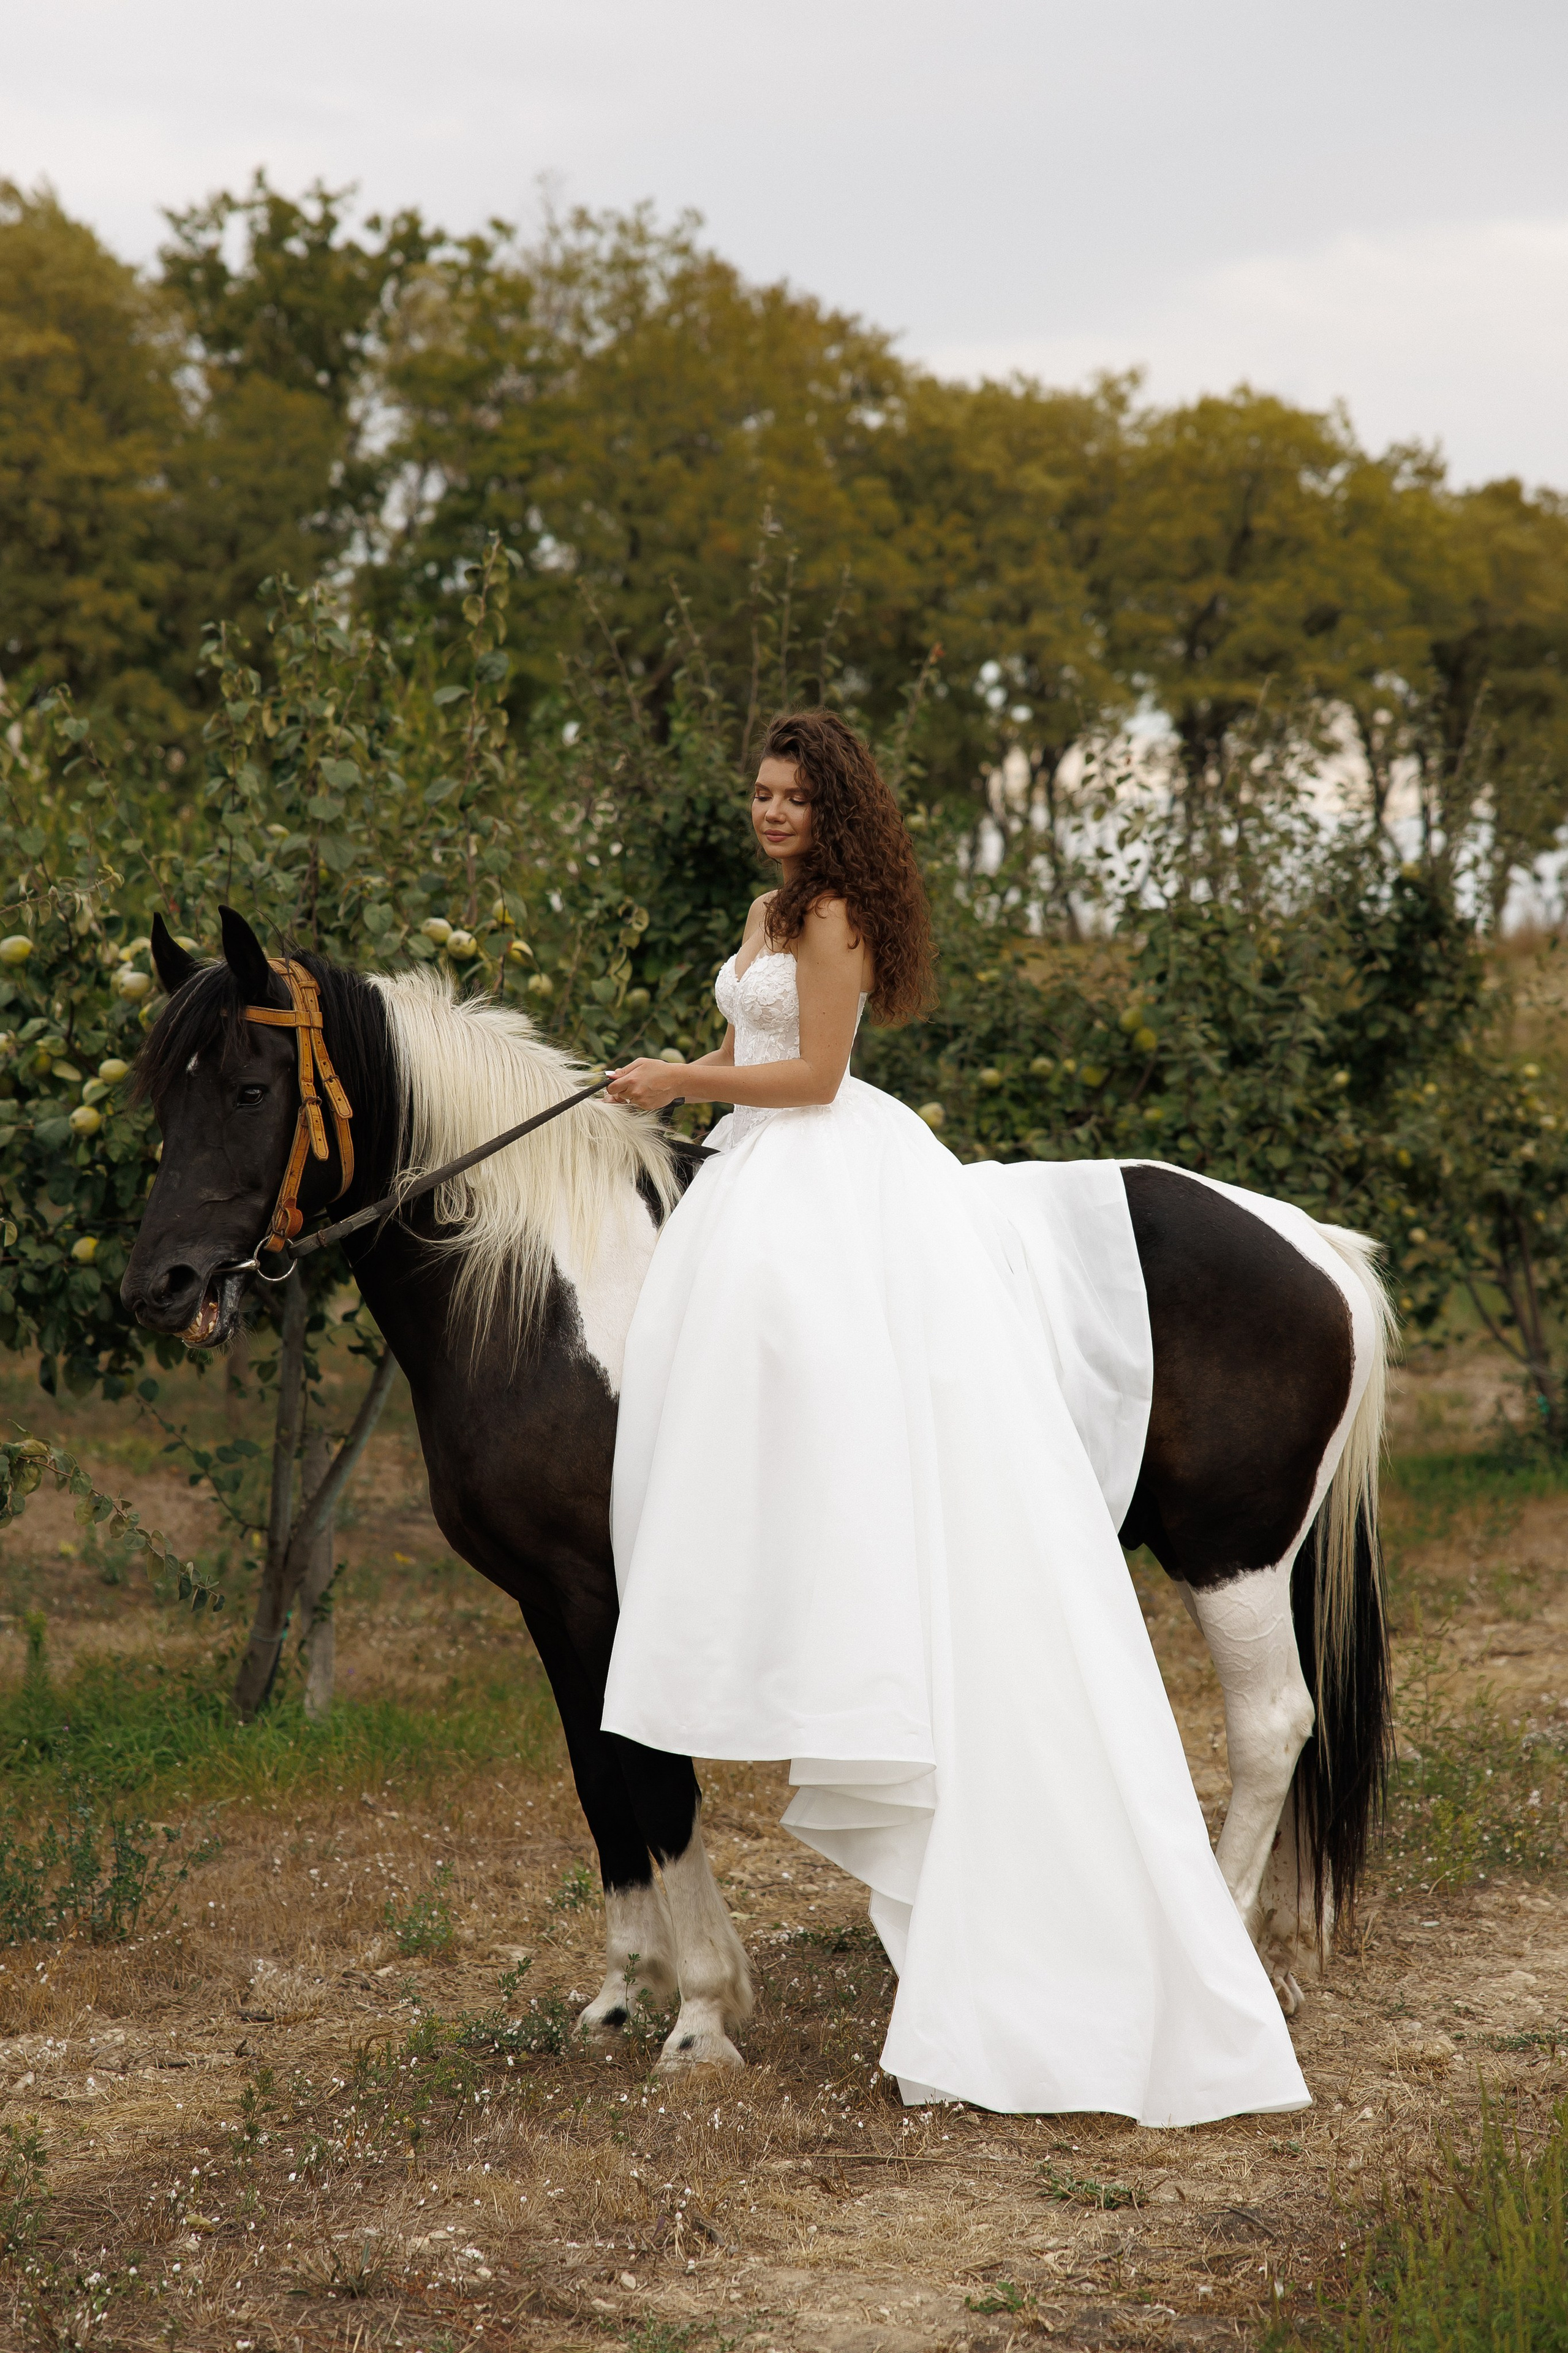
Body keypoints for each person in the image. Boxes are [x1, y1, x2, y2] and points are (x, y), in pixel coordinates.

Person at [602, 710, 1307, 2124]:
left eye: (794, 796)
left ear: (837, 808)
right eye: (758, 791)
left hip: (826, 1169)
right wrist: (669, 1093)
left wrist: (685, 1083)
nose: (770, 812)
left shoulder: (844, 916)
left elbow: (810, 1078)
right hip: (750, 1175)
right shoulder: (763, 909)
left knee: (834, 1367)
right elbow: (745, 1036)